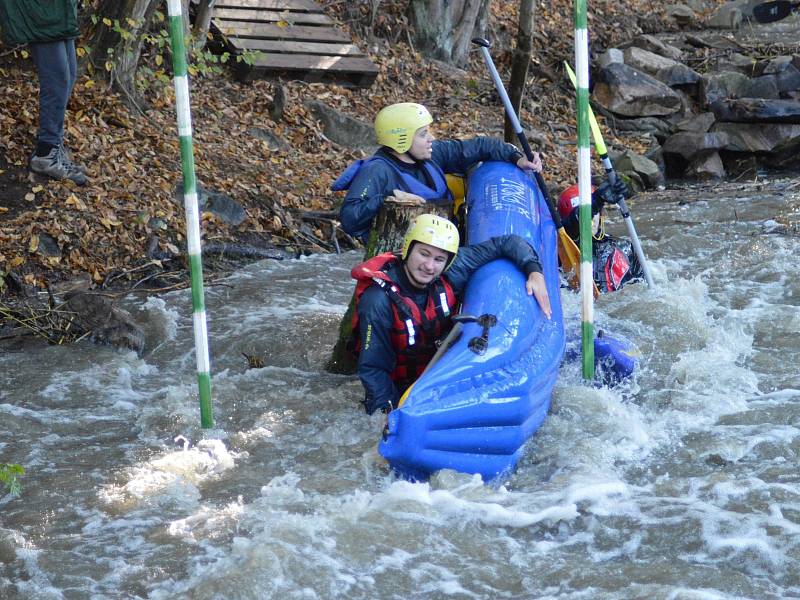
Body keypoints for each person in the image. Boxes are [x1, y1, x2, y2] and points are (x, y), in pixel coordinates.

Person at [350, 213, 552, 415]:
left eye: (439, 259)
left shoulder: (453, 270)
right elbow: (374, 368)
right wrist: (389, 412)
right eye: (423, 254)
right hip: (400, 388)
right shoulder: (377, 301)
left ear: (448, 261)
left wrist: (534, 271)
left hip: (440, 376)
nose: (429, 266)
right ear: (408, 249)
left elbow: (508, 243)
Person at [333, 102, 542, 242]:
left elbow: (479, 146)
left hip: (442, 247)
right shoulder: (378, 171)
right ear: (401, 139)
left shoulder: (431, 155)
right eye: (424, 134)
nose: (431, 138)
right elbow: (350, 218)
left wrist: (516, 157)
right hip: (404, 260)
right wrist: (385, 200)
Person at [0, 0, 88, 185]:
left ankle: (54, 145)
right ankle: (46, 153)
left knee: (69, 75)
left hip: (57, 10)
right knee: (57, 80)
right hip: (41, 10)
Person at [557, 178, 644, 293]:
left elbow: (642, 288)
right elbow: (572, 224)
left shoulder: (625, 247)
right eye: (587, 214)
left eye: (594, 213)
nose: (590, 219)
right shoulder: (559, 252)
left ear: (601, 213)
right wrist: (597, 200)